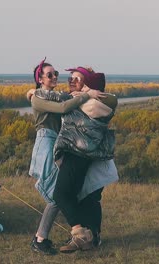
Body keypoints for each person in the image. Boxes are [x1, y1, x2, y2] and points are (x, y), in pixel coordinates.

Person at [27, 58, 103, 255]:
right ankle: (44, 238)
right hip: (46, 142)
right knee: (56, 194)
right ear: (40, 79)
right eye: (49, 74)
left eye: (56, 74)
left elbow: (68, 99)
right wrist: (87, 95)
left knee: (60, 192)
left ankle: (42, 239)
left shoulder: (55, 95)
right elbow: (63, 108)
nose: (54, 77)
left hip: (58, 143)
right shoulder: (38, 98)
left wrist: (84, 93)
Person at [52, 66, 118, 253]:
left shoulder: (89, 103)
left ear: (88, 85)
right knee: (88, 198)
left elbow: (58, 101)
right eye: (70, 78)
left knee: (63, 195)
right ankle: (91, 237)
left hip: (77, 154)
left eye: (77, 79)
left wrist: (33, 92)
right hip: (91, 156)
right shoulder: (86, 99)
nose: (71, 81)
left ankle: (82, 235)